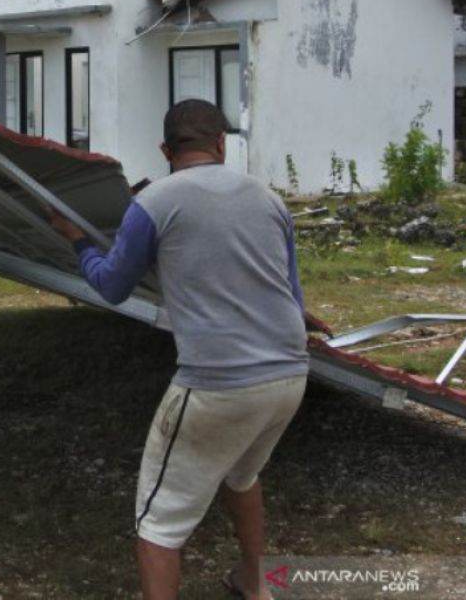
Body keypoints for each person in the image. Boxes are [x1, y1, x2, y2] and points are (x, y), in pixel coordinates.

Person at [49, 100, 330, 600]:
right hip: (289, 374)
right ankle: (254, 582)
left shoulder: (154, 203)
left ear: (164, 150)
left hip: (219, 385)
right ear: (222, 143)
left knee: (158, 520)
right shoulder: (269, 198)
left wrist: (78, 242)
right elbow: (290, 289)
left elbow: (113, 287)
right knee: (242, 474)